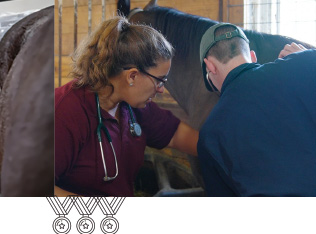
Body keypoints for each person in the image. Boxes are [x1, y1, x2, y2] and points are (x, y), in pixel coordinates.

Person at [54, 17, 199, 197]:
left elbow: (177, 135)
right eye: (160, 81)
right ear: (132, 76)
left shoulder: (134, 105)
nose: (161, 90)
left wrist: (226, 154)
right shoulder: (63, 112)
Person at [197, 23, 316, 196]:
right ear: (253, 56)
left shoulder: (209, 136)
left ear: (210, 67)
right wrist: (305, 58)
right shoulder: (305, 65)